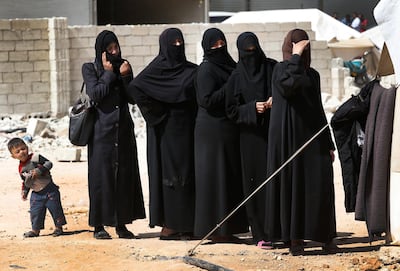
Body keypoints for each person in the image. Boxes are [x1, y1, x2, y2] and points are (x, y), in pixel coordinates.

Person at [264, 29, 337, 255]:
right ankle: (294, 239)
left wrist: (328, 142)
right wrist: (295, 57)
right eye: (297, 46)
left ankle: (324, 236)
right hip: (288, 140)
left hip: (312, 138)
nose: (302, 51)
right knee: (293, 186)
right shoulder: (279, 70)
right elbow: (288, 86)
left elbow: (317, 109)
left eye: (304, 47)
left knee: (319, 184)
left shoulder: (312, 75)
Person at [128, 28, 197, 240]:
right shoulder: (155, 69)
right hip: (166, 132)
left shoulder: (191, 70)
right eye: (173, 42)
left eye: (180, 41)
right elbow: (135, 87)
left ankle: (188, 224)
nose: (177, 46)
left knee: (189, 175)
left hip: (188, 130)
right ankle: (171, 225)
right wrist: (158, 114)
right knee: (170, 178)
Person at [82, 30, 145, 239]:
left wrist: (126, 76)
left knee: (123, 178)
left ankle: (121, 224)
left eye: (116, 47)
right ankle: (99, 225)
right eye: (109, 49)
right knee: (101, 178)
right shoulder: (90, 69)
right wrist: (109, 74)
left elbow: (132, 98)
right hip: (101, 133)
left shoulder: (123, 66)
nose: (114, 51)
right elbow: (95, 94)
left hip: (123, 132)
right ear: (101, 51)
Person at [194, 28, 248, 242]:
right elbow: (206, 101)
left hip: (228, 130)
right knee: (215, 181)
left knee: (229, 179)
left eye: (221, 43)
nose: (219, 48)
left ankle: (229, 228)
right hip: (212, 132)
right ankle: (215, 231)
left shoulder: (231, 67)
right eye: (214, 45)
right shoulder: (206, 70)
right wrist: (231, 84)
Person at [224, 32, 277, 248]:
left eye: (253, 51)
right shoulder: (236, 77)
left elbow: (282, 89)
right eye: (247, 53)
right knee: (255, 185)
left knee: (275, 181)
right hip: (250, 139)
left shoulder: (271, 68)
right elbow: (231, 110)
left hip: (272, 134)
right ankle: (260, 233)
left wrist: (276, 99)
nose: (251, 56)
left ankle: (278, 230)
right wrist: (251, 108)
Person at [7, 137, 67, 238]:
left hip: (49, 189)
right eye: (17, 152)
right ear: (13, 156)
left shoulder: (36, 157)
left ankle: (58, 228)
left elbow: (49, 163)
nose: (22, 152)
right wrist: (24, 192)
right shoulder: (21, 168)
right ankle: (35, 230)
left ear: (27, 147)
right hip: (36, 193)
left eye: (23, 148)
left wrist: (40, 170)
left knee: (55, 209)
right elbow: (26, 181)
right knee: (35, 212)